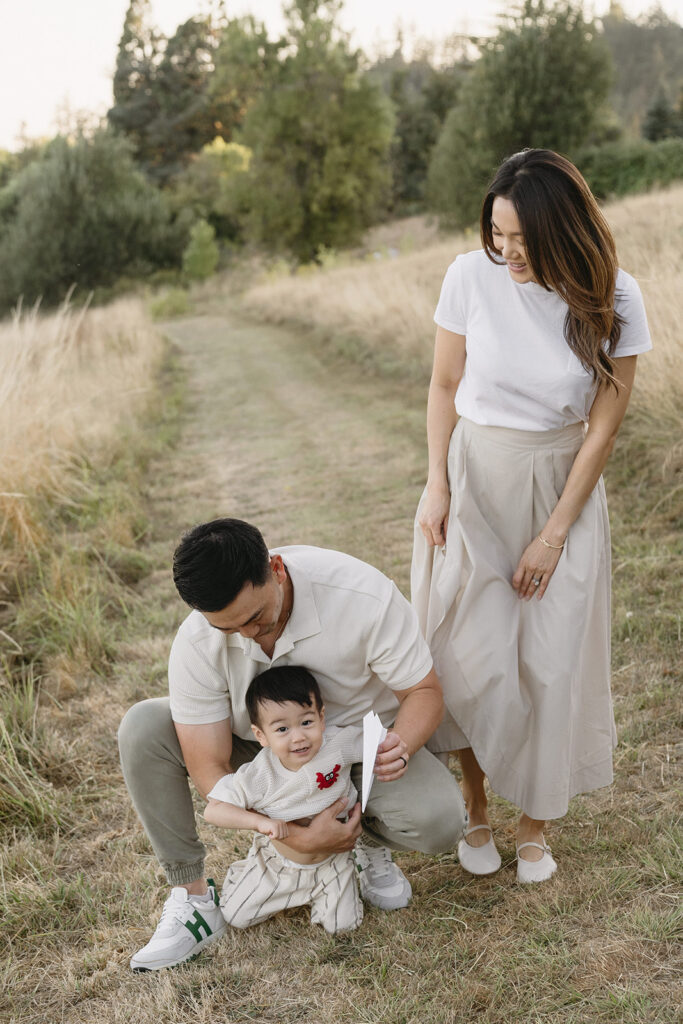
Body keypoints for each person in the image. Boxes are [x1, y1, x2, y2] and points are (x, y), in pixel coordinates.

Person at [411, 149, 652, 884]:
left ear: (562, 229)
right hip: (474, 477)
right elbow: (444, 383)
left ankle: (536, 824)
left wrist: (553, 534)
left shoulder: (615, 298)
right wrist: (435, 484)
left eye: (521, 238)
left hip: (560, 486)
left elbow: (602, 430)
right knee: (467, 654)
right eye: (497, 234)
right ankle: (475, 806)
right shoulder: (467, 276)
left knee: (549, 660)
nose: (507, 252)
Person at [119, 517, 466, 970]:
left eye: (256, 618)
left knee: (439, 821)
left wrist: (398, 745)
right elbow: (209, 767)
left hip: (357, 754)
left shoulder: (361, 595)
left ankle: (363, 842)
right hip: (266, 759)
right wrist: (290, 835)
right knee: (143, 725)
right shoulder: (198, 639)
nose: (249, 636)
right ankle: (193, 899)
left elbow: (422, 692)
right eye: (230, 629)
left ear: (277, 570)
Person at [205, 665, 364, 934]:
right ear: (261, 735)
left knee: (343, 927)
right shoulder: (259, 774)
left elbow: (381, 743)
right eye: (282, 729)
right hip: (279, 865)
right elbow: (213, 811)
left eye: (306, 722)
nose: (298, 736)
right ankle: (246, 873)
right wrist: (258, 822)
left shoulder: (339, 743)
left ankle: (353, 870)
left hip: (333, 860)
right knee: (235, 915)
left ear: (321, 718)